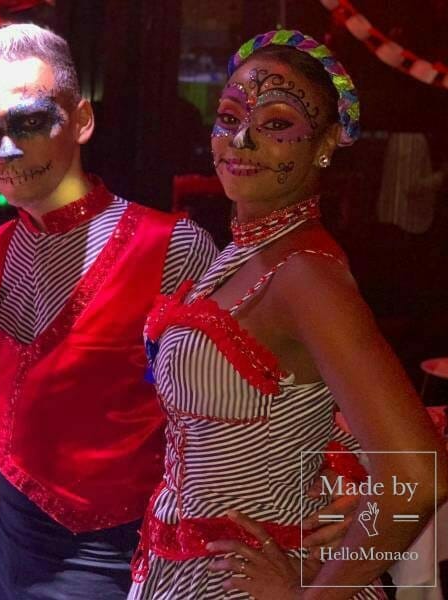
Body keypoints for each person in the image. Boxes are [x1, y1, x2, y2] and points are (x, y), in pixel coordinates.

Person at [129, 30, 448, 599]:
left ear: (326, 143)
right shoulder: (243, 250)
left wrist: (312, 596)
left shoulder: (307, 274)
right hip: (184, 570)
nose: (241, 140)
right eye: (228, 117)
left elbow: (418, 476)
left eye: (276, 125)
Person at [0, 22, 220, 598]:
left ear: (80, 120)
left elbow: (219, 408)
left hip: (131, 542)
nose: (7, 150)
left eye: (31, 122)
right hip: (15, 537)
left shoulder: (170, 247)